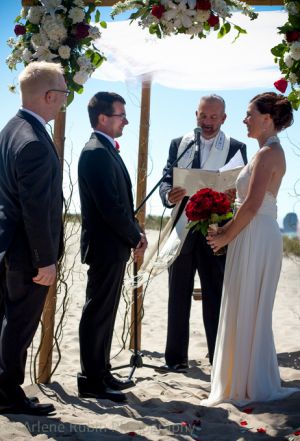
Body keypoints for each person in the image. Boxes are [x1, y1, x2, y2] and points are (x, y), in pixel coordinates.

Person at [205, 92, 299, 405]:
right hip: (253, 232)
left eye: (249, 114)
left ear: (267, 118)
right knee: (242, 304)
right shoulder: (263, 152)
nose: (245, 120)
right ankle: (240, 379)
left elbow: (252, 205)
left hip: (257, 234)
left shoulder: (269, 153)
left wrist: (224, 236)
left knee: (250, 305)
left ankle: (247, 383)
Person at [159, 95, 247, 370]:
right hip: (183, 230)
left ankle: (216, 355)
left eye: (213, 117)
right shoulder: (180, 144)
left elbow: (242, 188)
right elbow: (165, 180)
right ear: (196, 115)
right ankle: (176, 359)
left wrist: (234, 194)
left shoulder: (236, 147)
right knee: (178, 294)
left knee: (216, 294)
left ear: (223, 118)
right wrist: (168, 195)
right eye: (203, 116)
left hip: (217, 230)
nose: (207, 122)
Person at [0, 61, 66, 415]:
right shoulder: (35, 142)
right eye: (63, 95)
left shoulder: (9, 130)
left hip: (7, 243)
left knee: (8, 320)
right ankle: (8, 393)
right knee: (20, 325)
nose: (63, 103)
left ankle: (5, 388)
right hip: (28, 252)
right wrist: (45, 259)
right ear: (49, 96)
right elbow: (37, 209)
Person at [77, 92, 147, 402]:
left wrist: (135, 232)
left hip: (114, 246)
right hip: (106, 247)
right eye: (121, 116)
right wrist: (135, 236)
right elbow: (110, 207)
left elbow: (121, 205)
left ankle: (102, 372)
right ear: (103, 118)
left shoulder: (106, 151)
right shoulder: (95, 153)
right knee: (97, 313)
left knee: (106, 313)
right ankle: (91, 380)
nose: (126, 121)